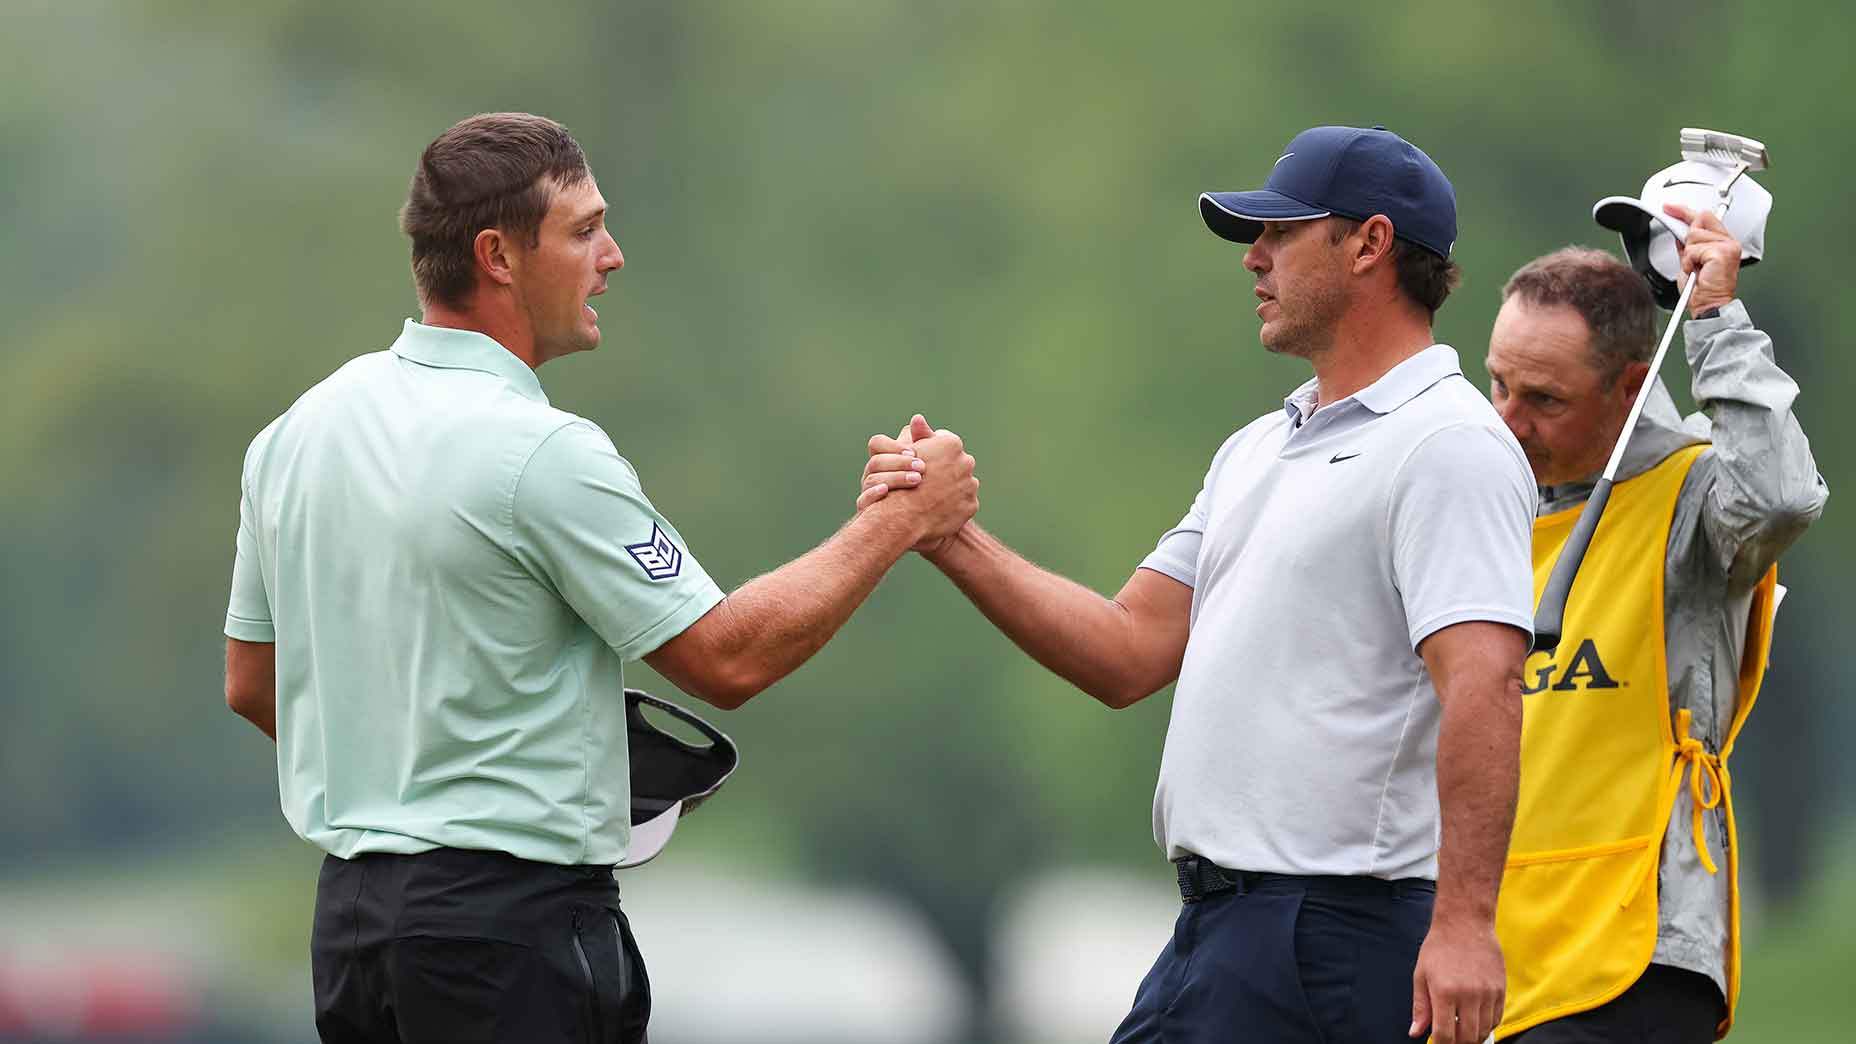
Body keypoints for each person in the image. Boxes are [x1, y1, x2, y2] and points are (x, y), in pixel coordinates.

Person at [221, 112, 978, 1043]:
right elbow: (728, 659)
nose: (611, 257)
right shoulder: (542, 452)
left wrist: (420, 761)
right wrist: (898, 521)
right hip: (506, 931)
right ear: (498, 256)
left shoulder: (293, 435)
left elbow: (253, 684)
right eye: (583, 231)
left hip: (350, 933)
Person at [862, 126, 1536, 1044]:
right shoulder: (1257, 447)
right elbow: (1127, 649)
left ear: (1370, 244)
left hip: (1336, 936)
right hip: (1221, 931)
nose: (1254, 257)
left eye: (1282, 233)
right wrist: (947, 535)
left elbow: (1487, 684)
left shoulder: (1449, 443)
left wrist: (1464, 925)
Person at [1486, 213, 1827, 1042]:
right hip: (1488, 955)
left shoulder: (1694, 494)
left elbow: (1780, 498)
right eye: (1498, 385)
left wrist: (1713, 320)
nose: (1509, 420)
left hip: (1638, 952)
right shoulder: (1484, 502)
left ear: (1630, 387)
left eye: (1544, 400)